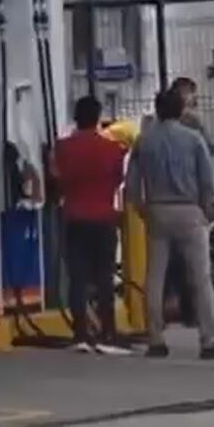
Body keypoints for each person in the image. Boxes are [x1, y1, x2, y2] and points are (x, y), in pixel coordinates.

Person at [126, 87, 214, 360]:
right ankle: (209, 341)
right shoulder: (193, 139)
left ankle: (156, 340)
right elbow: (206, 179)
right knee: (201, 278)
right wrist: (209, 209)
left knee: (155, 277)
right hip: (190, 211)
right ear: (181, 110)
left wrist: (144, 210)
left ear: (157, 110)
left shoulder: (143, 141)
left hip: (158, 210)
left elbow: (132, 186)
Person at [53, 95, 130, 355]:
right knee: (104, 277)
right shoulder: (114, 149)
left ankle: (81, 333)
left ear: (76, 117)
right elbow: (117, 180)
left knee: (78, 278)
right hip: (104, 218)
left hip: (74, 218)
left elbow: (58, 180)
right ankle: (108, 331)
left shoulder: (62, 148)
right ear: (98, 118)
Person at [166, 77, 214, 326]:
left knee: (167, 261)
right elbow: (209, 151)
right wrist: (211, 201)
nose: (193, 99)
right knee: (195, 262)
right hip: (191, 200)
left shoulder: (155, 123)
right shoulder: (194, 121)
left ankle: (166, 311)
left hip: (160, 203)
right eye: (190, 93)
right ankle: (193, 313)